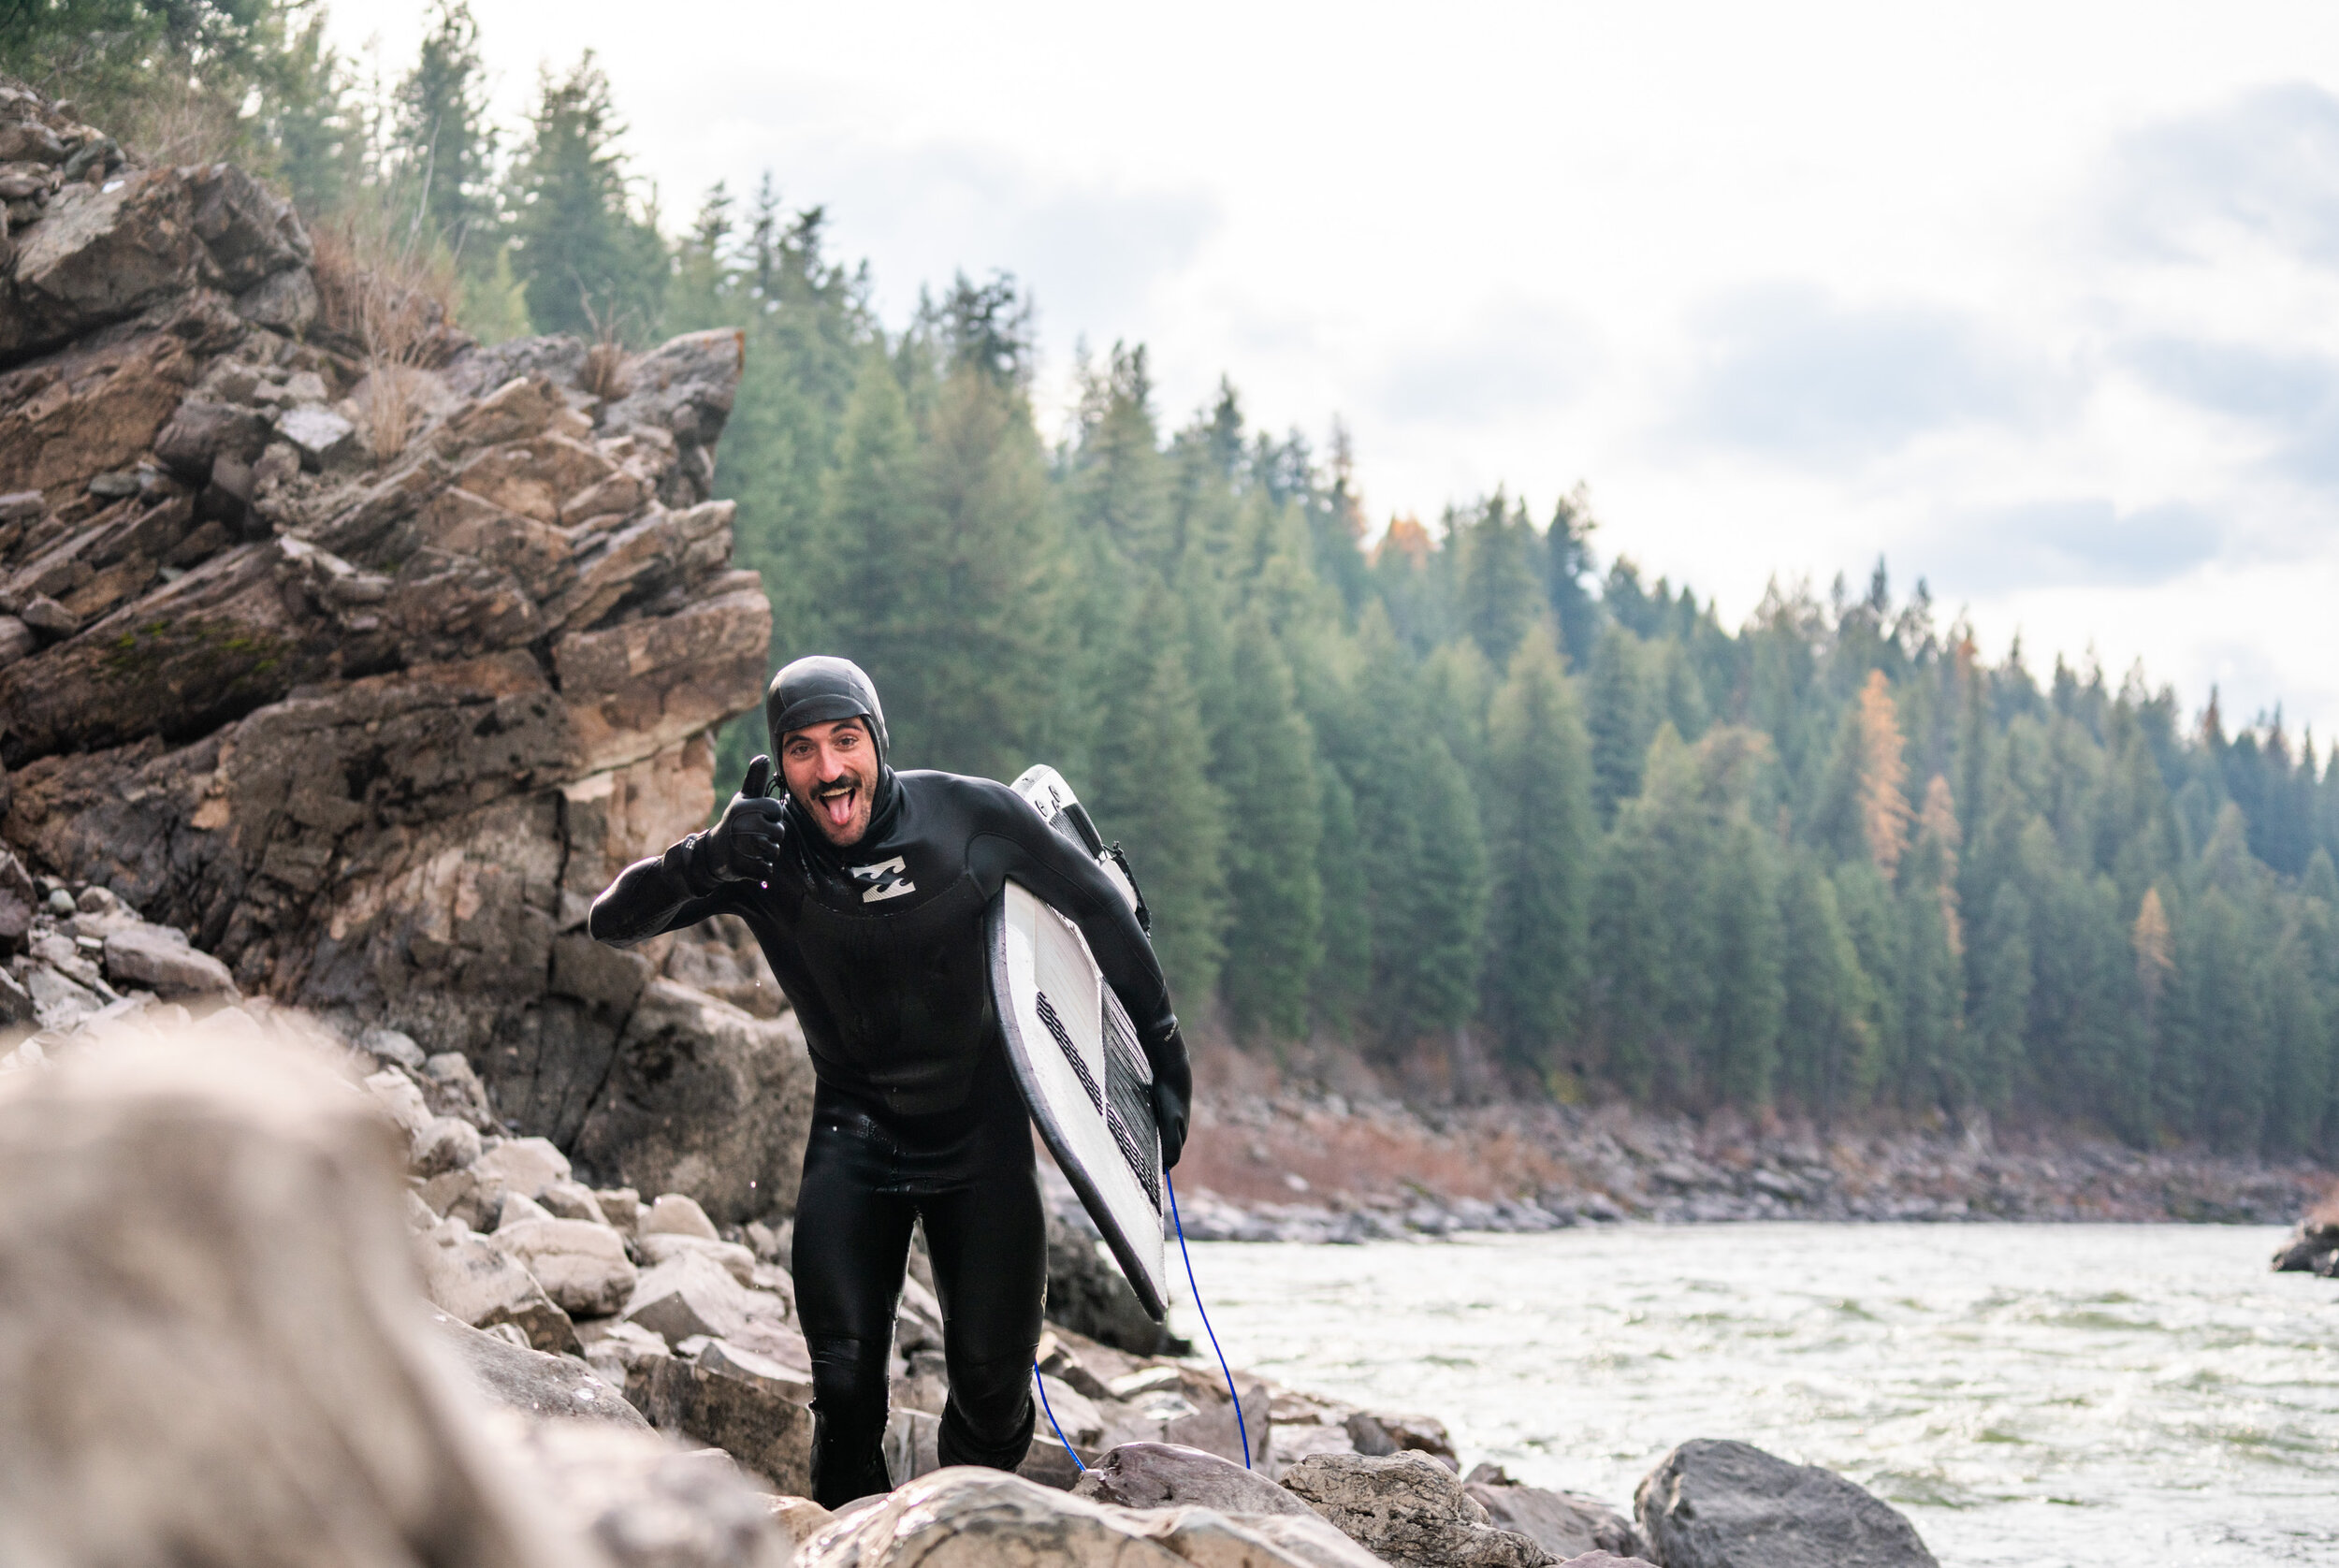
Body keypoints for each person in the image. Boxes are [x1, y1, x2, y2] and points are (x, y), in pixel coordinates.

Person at [588, 655, 1190, 1505]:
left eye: (845, 741)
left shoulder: (972, 818)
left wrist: (1165, 1056)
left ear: (877, 738)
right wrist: (704, 860)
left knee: (992, 1398)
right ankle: (853, 1538)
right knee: (842, 1397)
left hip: (980, 1144)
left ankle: (956, 1526)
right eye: (802, 750)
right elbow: (608, 919)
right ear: (781, 761)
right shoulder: (762, 854)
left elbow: (1099, 906)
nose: (829, 770)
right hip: (855, 1139)